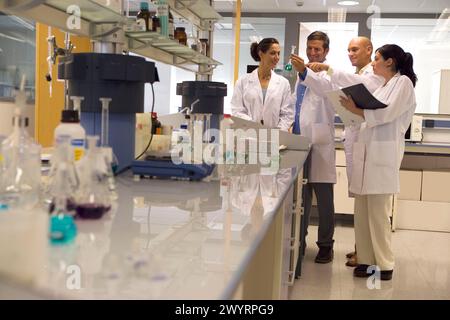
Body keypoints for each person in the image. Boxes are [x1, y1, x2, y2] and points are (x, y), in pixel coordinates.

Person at [337, 44, 417, 280]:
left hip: (382, 156)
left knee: (378, 214)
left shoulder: (403, 83)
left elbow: (386, 114)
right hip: (366, 153)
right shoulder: (383, 85)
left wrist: (357, 109)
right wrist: (351, 110)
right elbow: (370, 114)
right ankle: (366, 259)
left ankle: (384, 263)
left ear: (390, 62)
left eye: (377, 59)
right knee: (361, 210)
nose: (373, 63)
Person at [307, 36, 384, 267]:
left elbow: (355, 86)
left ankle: (368, 254)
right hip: (355, 140)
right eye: (348, 50)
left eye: (355, 49)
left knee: (368, 204)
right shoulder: (361, 73)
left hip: (367, 144)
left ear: (369, 50)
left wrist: (329, 70)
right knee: (360, 202)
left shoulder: (372, 74)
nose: (350, 53)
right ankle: (361, 248)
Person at [290, 31, 336, 265]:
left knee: (325, 199)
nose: (312, 52)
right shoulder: (302, 76)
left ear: (326, 51)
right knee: (301, 198)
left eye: (317, 49)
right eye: (309, 48)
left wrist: (304, 71)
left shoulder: (328, 76)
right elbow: (296, 105)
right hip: (299, 143)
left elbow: (318, 86)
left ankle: (326, 246)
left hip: (319, 144)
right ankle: (299, 241)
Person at [231, 37, 294, 131]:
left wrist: (277, 133)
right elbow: (237, 110)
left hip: (275, 137)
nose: (277, 57)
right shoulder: (242, 81)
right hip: (249, 133)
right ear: (261, 54)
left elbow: (287, 114)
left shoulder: (283, 83)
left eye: (278, 53)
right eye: (272, 53)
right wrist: (254, 126)